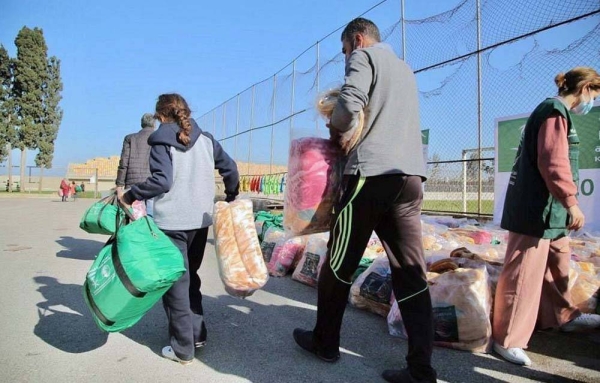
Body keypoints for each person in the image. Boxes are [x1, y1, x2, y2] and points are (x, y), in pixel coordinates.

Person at [292, 18, 437, 383]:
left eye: (344, 50)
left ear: (357, 40)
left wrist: (336, 127)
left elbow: (347, 108)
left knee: (338, 264)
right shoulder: (405, 70)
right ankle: (421, 369)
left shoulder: (364, 57)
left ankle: (325, 342)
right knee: (411, 273)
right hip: (409, 180)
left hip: (370, 177)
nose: (345, 58)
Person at [119, 93, 239, 365]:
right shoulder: (206, 139)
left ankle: (183, 348)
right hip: (199, 221)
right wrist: (232, 195)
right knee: (190, 277)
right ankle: (196, 334)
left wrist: (131, 194)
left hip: (172, 223)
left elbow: (162, 181)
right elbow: (230, 168)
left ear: (161, 116)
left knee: (176, 284)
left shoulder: (161, 140)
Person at [493, 67, 600, 366]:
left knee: (557, 264)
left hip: (549, 211)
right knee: (523, 272)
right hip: (535, 210)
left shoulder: (557, 113)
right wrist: (571, 202)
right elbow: (552, 161)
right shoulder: (553, 111)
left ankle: (562, 316)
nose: (591, 101)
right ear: (585, 89)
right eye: (594, 94)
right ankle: (507, 339)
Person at [116, 113, 156, 215]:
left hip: (132, 186)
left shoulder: (130, 138)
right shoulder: (158, 137)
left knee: (134, 220)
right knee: (150, 221)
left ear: (141, 124)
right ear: (154, 124)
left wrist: (119, 184)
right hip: (152, 184)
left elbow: (123, 163)